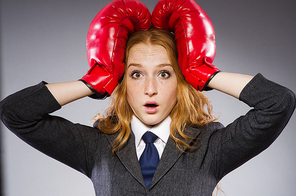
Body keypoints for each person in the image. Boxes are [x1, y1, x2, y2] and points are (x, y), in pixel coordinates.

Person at [0, 0, 295, 195]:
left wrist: (204, 72)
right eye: (136, 74)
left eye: (165, 73)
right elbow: (15, 112)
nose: (149, 88)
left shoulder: (211, 146)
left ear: (182, 80)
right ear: (121, 79)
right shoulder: (96, 146)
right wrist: (93, 80)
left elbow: (278, 103)